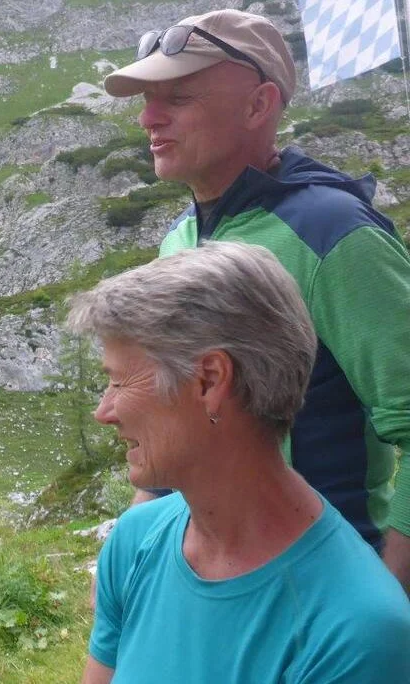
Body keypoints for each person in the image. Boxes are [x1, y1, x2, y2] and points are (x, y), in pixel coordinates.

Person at [102, 8, 410, 591]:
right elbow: (170, 411)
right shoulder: (179, 240)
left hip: (320, 583)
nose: (148, 117)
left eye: (179, 97)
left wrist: (389, 598)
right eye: (146, 99)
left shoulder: (335, 235)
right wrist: (139, 538)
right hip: (205, 575)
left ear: (257, 105)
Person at [69, 241, 410, 684]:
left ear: (210, 379)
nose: (104, 411)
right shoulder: (135, 542)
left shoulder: (358, 635)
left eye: (120, 381)